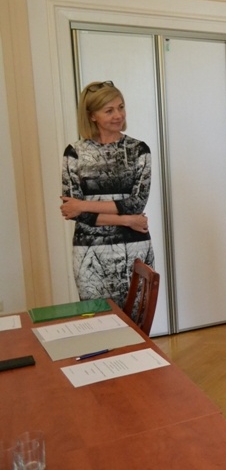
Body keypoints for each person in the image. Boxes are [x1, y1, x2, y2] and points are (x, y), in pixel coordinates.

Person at [61, 80, 154, 308]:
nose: (118, 115)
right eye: (109, 110)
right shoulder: (75, 153)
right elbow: (72, 211)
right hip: (89, 253)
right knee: (97, 319)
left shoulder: (139, 150)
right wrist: (127, 220)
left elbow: (136, 204)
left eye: (121, 107)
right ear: (92, 116)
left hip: (134, 248)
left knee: (136, 319)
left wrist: (83, 205)